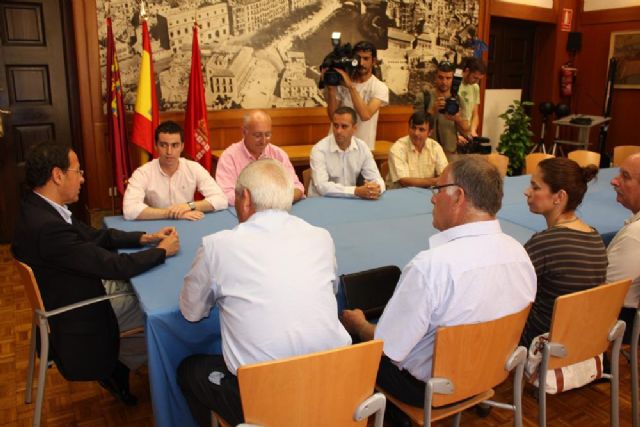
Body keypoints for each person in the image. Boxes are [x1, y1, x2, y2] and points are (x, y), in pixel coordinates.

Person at [341, 155, 535, 415]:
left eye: (439, 189)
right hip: (489, 374)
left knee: (348, 338)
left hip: (428, 388)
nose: (433, 198)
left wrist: (360, 324)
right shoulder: (520, 255)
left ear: (458, 197)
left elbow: (388, 348)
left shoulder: (431, 267)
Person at [177, 159, 351, 427]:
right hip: (332, 389)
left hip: (267, 404)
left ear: (245, 198)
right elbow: (332, 290)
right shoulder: (321, 237)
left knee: (189, 371)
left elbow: (191, 312)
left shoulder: (218, 246)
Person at [12, 142, 180, 405]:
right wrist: (161, 252)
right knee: (165, 312)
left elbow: (93, 235)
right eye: (77, 171)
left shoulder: (38, 207)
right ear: (58, 175)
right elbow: (113, 266)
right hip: (79, 313)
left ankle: (121, 365)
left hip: (68, 291)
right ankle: (124, 368)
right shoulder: (48, 229)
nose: (82, 178)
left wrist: (144, 238)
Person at [520, 157, 607, 346]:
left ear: (559, 196)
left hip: (541, 343)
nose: (527, 192)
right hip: (579, 342)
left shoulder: (545, 244)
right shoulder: (595, 237)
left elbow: (512, 293)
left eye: (535, 187)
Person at [123, 121, 228, 221]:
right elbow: (129, 209)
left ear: (182, 146)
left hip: (188, 221)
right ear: (155, 146)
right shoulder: (143, 173)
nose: (169, 152)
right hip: (155, 224)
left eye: (175, 145)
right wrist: (171, 213)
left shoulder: (194, 168)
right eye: (163, 145)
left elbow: (221, 200)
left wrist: (188, 206)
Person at [214, 110, 304, 205]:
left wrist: (279, 200)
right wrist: (265, 201)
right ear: (244, 132)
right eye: (258, 135)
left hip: (278, 207)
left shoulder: (278, 154)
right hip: (243, 213)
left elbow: (297, 186)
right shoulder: (229, 157)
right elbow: (227, 194)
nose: (263, 141)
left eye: (268, 135)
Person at [324, 41, 389, 150]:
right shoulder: (343, 81)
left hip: (361, 148)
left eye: (366, 59)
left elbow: (365, 115)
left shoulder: (379, 87)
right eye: (358, 59)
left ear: (373, 61)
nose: (361, 63)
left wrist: (351, 87)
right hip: (335, 144)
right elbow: (333, 117)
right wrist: (331, 89)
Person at [309, 106, 385, 198]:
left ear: (354, 128)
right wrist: (355, 191)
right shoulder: (319, 149)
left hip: (349, 201)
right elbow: (322, 187)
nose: (338, 131)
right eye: (335, 125)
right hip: (321, 202)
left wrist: (376, 188)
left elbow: (376, 178)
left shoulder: (362, 147)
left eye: (344, 126)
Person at [607, 153, 640, 344]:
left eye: (625, 177)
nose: (614, 181)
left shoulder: (634, 236)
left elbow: (606, 297)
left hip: (619, 321)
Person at [414, 61, 470, 158]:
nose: (444, 82)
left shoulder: (458, 100)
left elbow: (466, 130)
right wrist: (432, 110)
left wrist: (457, 119)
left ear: (453, 79)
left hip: (450, 154)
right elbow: (415, 125)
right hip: (426, 153)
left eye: (448, 78)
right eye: (441, 77)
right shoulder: (424, 97)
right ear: (435, 77)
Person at [387, 111, 448, 189]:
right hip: (401, 194)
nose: (416, 133)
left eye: (421, 130)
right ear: (408, 127)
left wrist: (439, 180)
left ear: (430, 132)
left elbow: (444, 175)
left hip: (427, 194)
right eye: (413, 128)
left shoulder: (435, 147)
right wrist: (436, 181)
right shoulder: (398, 148)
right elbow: (404, 181)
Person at [459, 56, 486, 138]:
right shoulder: (455, 84)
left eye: (479, 79)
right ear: (467, 71)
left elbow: (475, 113)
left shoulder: (475, 87)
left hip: (467, 133)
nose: (476, 81)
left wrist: (473, 131)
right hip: (455, 133)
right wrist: (457, 136)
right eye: (475, 77)